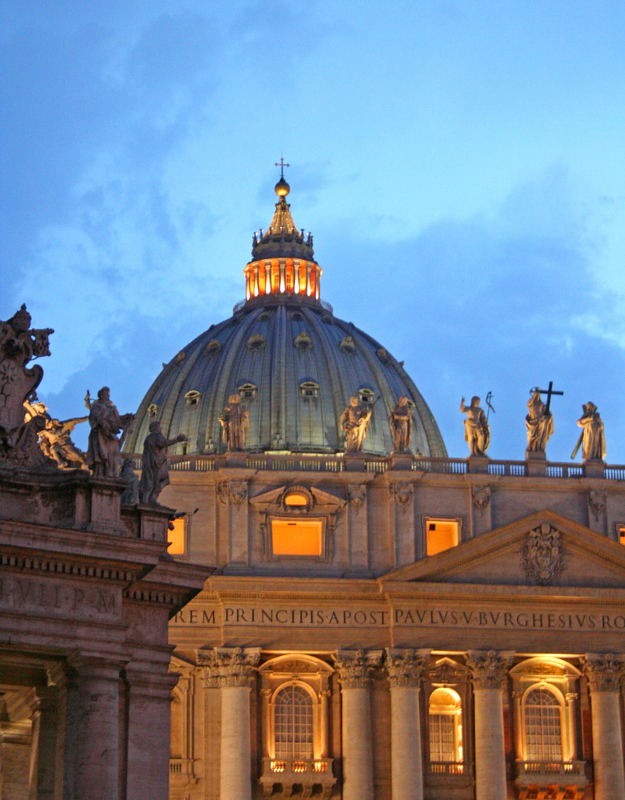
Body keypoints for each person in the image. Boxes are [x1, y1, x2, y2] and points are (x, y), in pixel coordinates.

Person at [86, 387, 134, 477]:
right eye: (106, 394)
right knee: (102, 454)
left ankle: (111, 473)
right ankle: (101, 473)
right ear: (101, 395)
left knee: (113, 455)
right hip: (101, 433)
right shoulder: (96, 406)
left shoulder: (111, 407)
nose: (108, 396)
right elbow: (94, 418)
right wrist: (102, 422)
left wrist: (127, 417)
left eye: (108, 395)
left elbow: (117, 420)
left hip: (110, 435)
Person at [139, 422, 186, 505]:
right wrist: (177, 440)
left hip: (151, 462)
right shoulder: (156, 436)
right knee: (157, 481)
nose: (161, 429)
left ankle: (150, 497)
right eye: (159, 427)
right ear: (156, 428)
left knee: (153, 481)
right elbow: (163, 443)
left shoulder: (148, 438)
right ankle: (151, 498)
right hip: (155, 463)